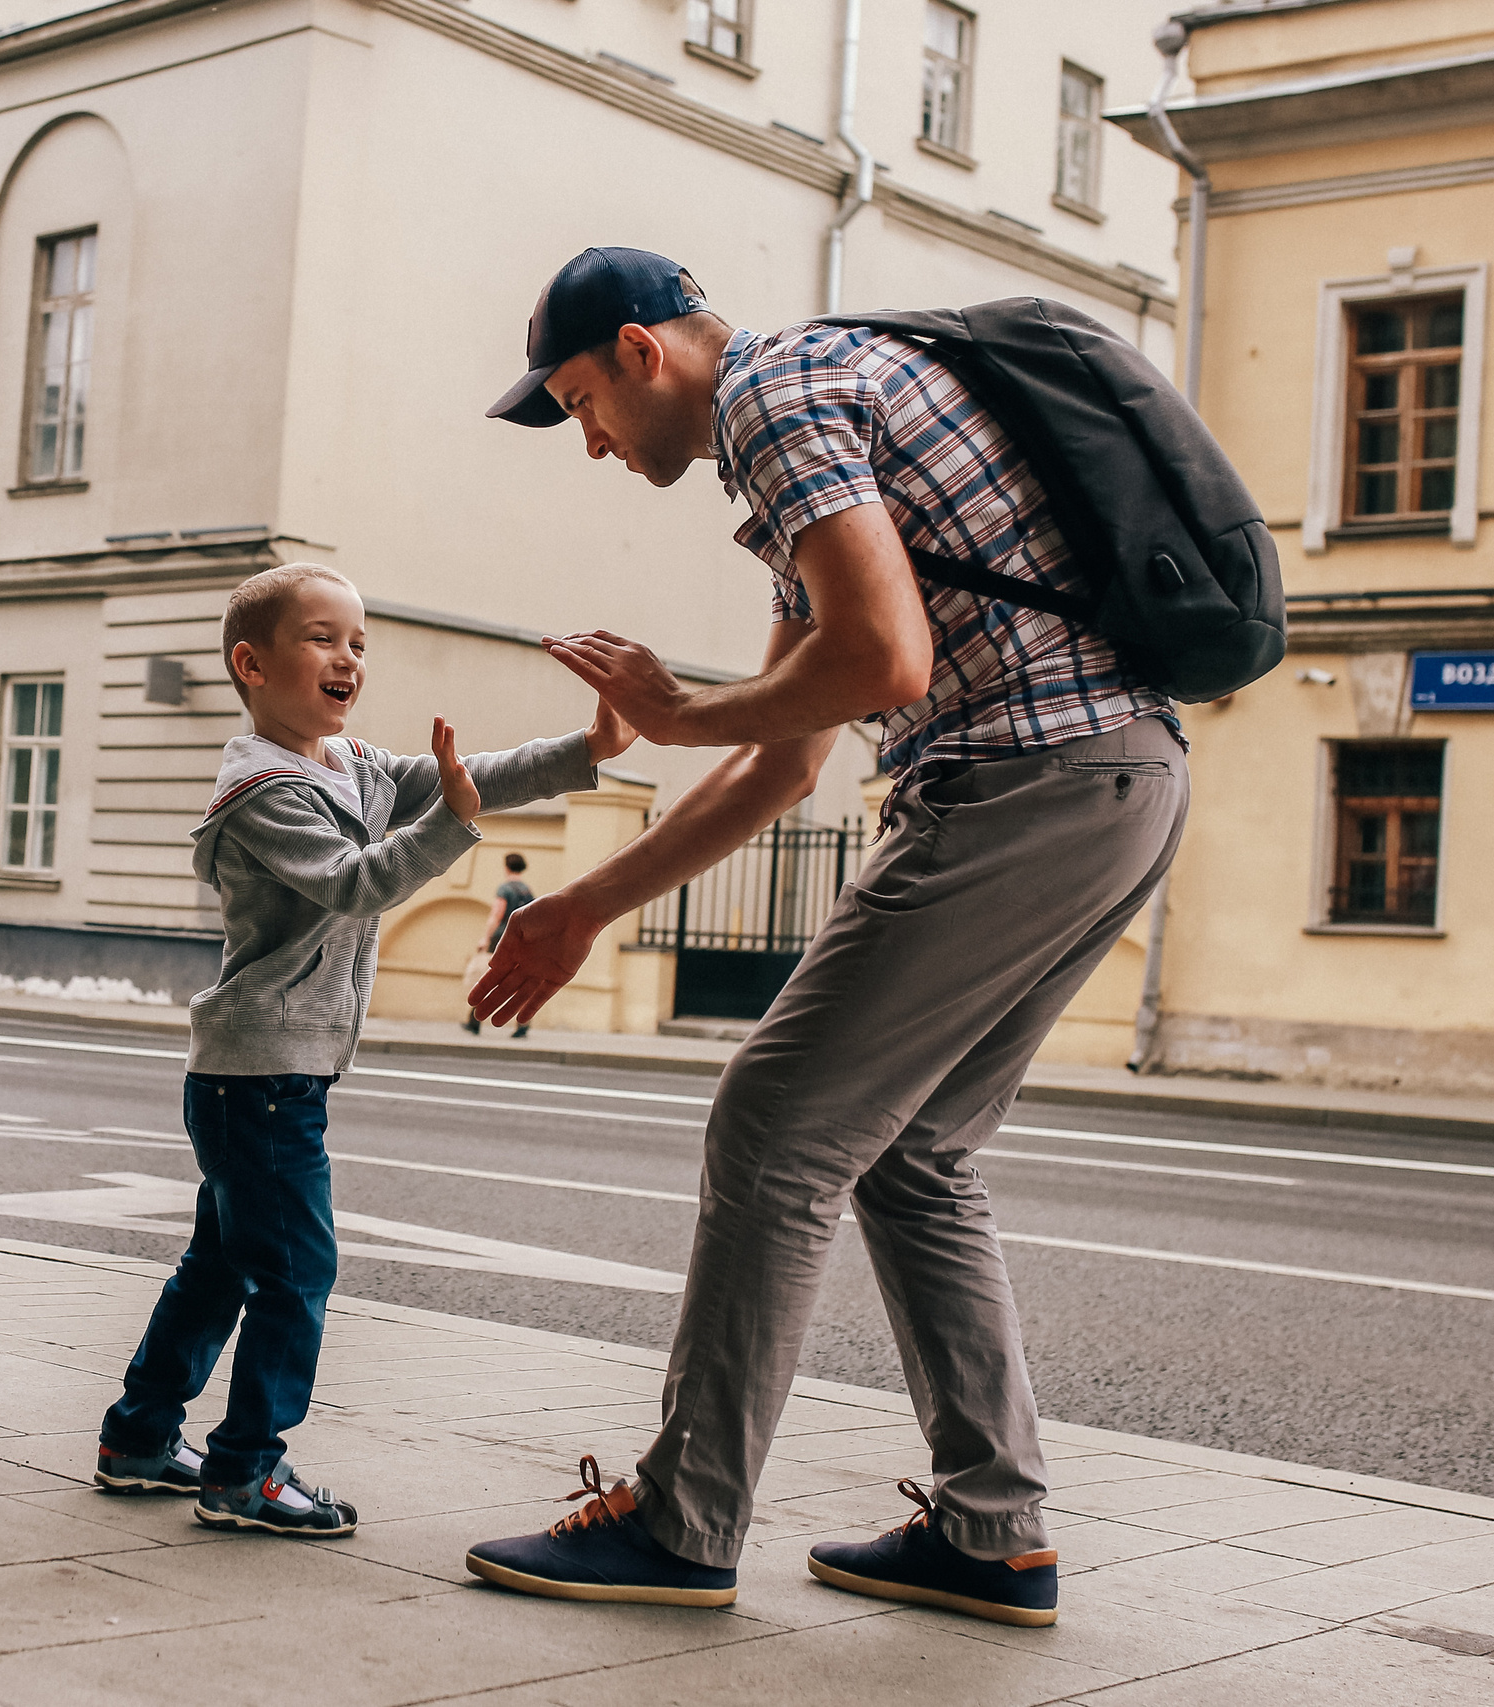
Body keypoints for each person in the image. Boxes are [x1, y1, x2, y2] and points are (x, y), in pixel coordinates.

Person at [460, 249, 1187, 1624]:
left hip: (1020, 780)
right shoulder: (816, 414)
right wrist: (582, 904)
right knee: (911, 1154)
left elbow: (885, 665)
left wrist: (673, 713)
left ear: (640, 350)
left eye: (584, 405)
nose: (597, 447)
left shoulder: (776, 397)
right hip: (1118, 777)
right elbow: (790, 758)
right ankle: (993, 1533)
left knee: (776, 1124)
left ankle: (682, 1519)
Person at [93, 562, 632, 1536]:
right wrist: (454, 826)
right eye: (322, 637)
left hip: (265, 1072)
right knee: (296, 1273)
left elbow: (467, 777)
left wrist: (585, 748)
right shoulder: (261, 791)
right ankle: (244, 1471)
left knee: (220, 1267)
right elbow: (355, 884)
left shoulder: (346, 762)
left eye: (359, 642)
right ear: (250, 665)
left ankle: (137, 1437)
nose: (347, 656)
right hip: (260, 1075)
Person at [461, 852, 534, 1038]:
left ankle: (475, 1021)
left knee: (491, 978)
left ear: (506, 867)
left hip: (502, 939)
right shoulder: (527, 891)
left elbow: (497, 914)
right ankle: (523, 1023)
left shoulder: (505, 889)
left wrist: (485, 938)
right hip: (523, 940)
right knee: (520, 980)